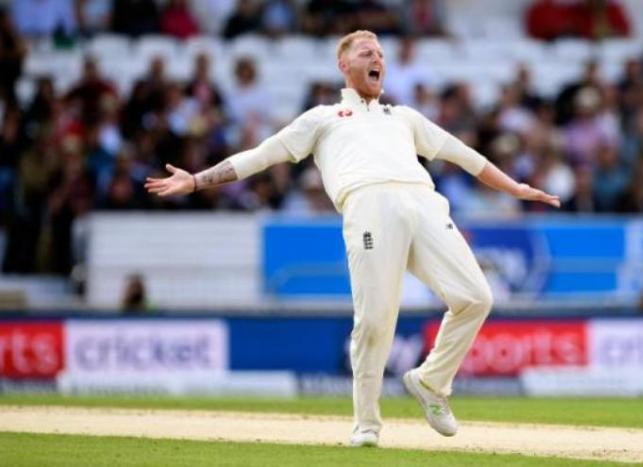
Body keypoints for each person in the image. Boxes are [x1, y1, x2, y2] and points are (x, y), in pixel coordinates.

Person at [144, 30, 560, 447]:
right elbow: (261, 156)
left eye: (380, 53)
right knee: (376, 319)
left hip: (425, 203)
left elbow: (465, 155)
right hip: (368, 205)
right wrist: (196, 181)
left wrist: (515, 188)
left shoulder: (404, 117)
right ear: (343, 65)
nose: (377, 58)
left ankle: (431, 381)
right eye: (366, 53)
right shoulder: (322, 118)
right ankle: (367, 425)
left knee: (476, 297)